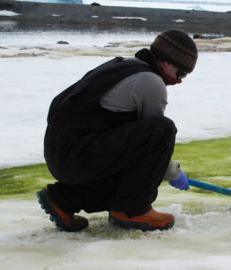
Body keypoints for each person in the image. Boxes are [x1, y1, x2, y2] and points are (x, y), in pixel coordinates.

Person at [36, 30, 197, 232]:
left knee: (128, 180)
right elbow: (155, 142)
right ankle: (132, 210)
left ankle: (63, 200)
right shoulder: (150, 82)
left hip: (62, 154)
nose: (180, 80)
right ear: (166, 62)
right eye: (181, 73)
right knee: (163, 129)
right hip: (77, 155)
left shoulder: (125, 66)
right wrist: (174, 173)